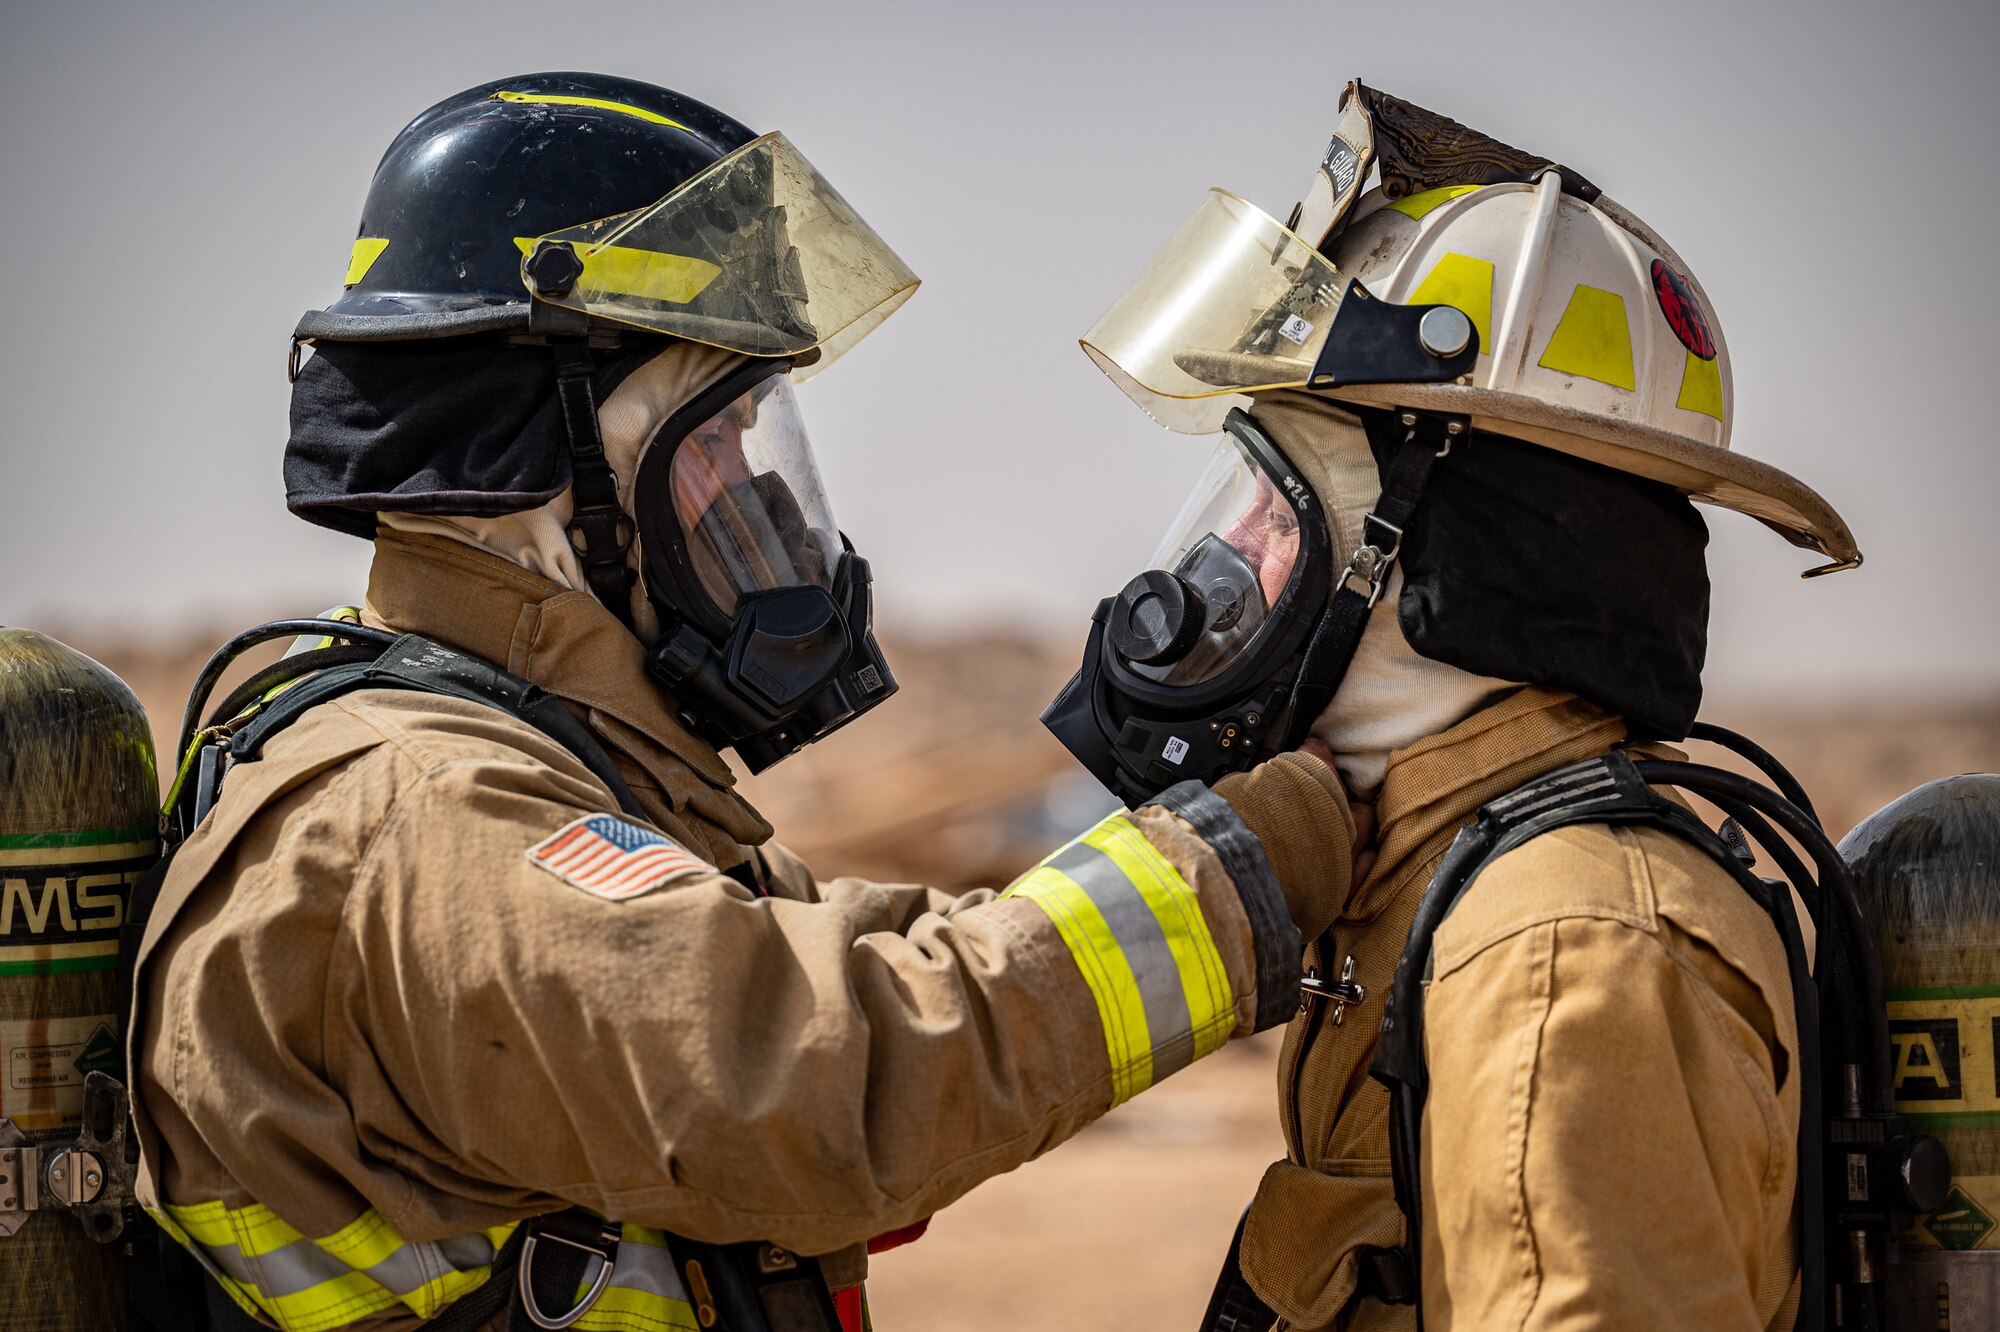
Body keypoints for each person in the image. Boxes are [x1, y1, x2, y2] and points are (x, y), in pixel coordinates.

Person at [124, 73, 1361, 1332]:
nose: (757, 505)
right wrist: (1261, 858)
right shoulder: (430, 809)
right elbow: (822, 1088)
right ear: (548, 468)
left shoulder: (523, 754)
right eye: (714, 441)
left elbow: (806, 964)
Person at [1051, 82, 1864, 1330]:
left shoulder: (1561, 953)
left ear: (1435, 543)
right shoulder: (1441, 886)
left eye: (1278, 501)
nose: (1240, 554)